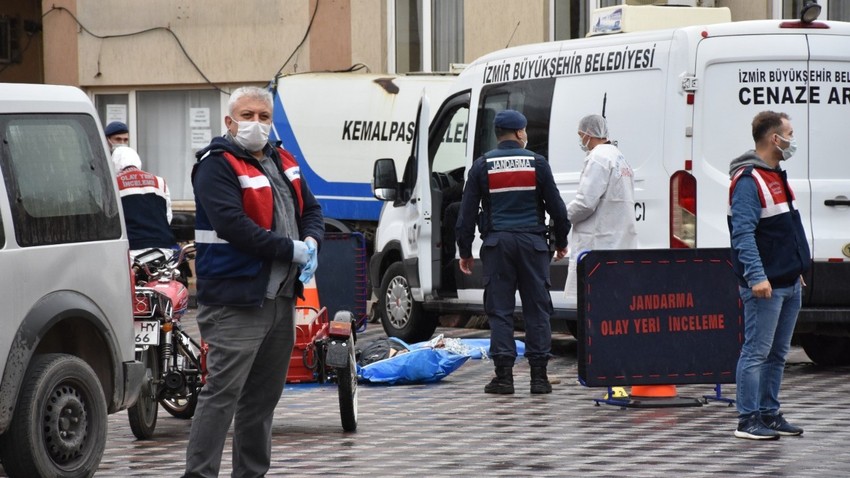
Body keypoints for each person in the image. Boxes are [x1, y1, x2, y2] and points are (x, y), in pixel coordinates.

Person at [183, 86, 324, 477]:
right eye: (248, 116)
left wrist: (311, 240)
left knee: (262, 400)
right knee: (222, 396)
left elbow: (311, 208)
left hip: (279, 299)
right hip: (236, 301)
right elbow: (233, 226)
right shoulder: (216, 165)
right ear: (229, 122)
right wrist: (288, 249)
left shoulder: (283, 160)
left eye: (264, 116)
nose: (256, 124)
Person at [455, 109, 569, 395]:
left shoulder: (482, 166)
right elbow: (558, 209)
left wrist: (465, 251)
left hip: (498, 247)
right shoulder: (537, 163)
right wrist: (561, 241)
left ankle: (504, 378)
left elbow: (466, 215)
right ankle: (539, 378)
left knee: (500, 311)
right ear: (519, 133)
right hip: (533, 245)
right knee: (537, 309)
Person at [728, 111, 810, 440]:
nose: (793, 140)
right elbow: (743, 234)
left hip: (788, 281)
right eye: (790, 133)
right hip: (766, 285)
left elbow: (785, 228)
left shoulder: (775, 174)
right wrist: (758, 276)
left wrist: (795, 268)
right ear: (775, 139)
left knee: (778, 353)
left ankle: (769, 413)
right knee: (756, 352)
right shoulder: (749, 180)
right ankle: (747, 420)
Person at [563, 114, 637, 308]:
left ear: (589, 134)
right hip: (617, 242)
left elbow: (585, 203)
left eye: (581, 136)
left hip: (599, 243)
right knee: (615, 303)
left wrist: (560, 216)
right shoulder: (618, 156)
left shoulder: (597, 158)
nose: (581, 141)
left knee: (596, 305)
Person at [111, 145, 177, 257]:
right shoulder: (160, 182)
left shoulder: (114, 184)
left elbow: (112, 219)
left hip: (132, 249)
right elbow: (168, 216)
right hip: (163, 248)